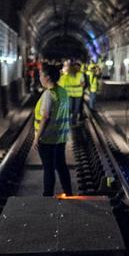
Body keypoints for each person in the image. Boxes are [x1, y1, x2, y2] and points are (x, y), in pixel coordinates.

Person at [35, 63, 73, 197]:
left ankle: (47, 196)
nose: (39, 78)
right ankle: (69, 192)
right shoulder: (62, 91)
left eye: (41, 75)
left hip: (47, 139)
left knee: (49, 168)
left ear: (47, 77)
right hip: (60, 137)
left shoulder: (48, 94)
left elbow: (45, 117)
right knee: (61, 166)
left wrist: (37, 138)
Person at [58, 60, 87, 125]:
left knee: (76, 109)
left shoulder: (80, 74)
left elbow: (83, 84)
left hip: (78, 95)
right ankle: (68, 121)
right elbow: (62, 83)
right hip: (70, 94)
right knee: (70, 108)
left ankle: (73, 122)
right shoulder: (66, 75)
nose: (77, 68)